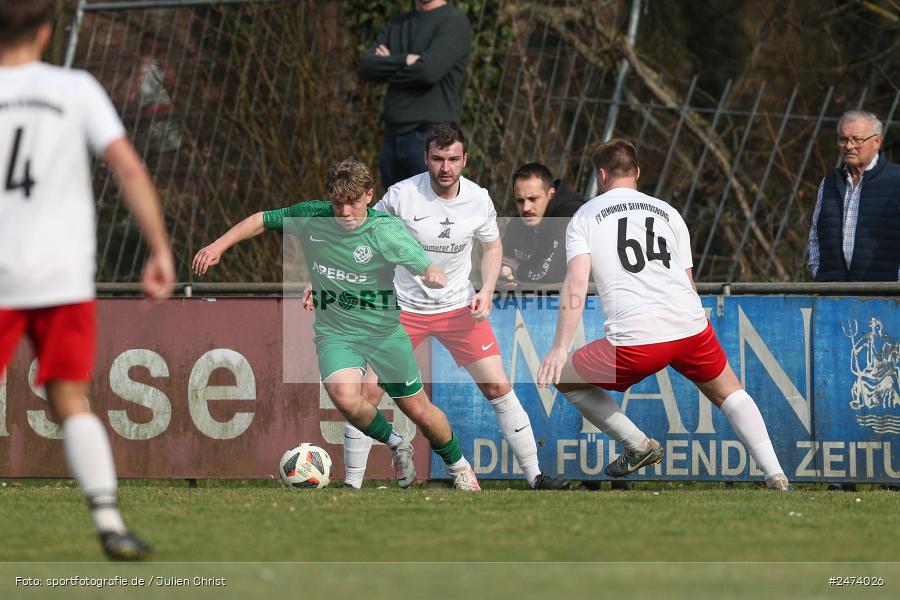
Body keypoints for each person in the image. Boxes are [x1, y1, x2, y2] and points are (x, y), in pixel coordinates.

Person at [0, 0, 176, 560]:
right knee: (70, 399)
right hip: (62, 277)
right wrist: (160, 249)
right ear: (48, 32)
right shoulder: (75, 88)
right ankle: (109, 523)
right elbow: (128, 165)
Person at [193, 160, 482, 491]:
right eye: (338, 202)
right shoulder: (313, 216)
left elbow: (424, 264)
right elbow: (262, 219)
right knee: (346, 398)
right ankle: (396, 443)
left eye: (353, 202)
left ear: (370, 196)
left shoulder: (385, 230)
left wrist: (432, 273)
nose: (344, 211)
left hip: (384, 334)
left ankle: (459, 467)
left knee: (418, 409)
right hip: (336, 333)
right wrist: (218, 246)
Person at [537, 139, 790, 491]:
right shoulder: (668, 212)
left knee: (565, 377)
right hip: (690, 327)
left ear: (601, 174)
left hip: (637, 339)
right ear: (638, 172)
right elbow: (688, 281)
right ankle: (775, 473)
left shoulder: (586, 215)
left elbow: (576, 283)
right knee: (730, 392)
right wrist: (695, 327)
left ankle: (638, 444)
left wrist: (559, 347)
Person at [337, 125, 570, 490]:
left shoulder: (479, 199)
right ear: (426, 158)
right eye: (438, 158)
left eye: (453, 159)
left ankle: (535, 477)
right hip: (402, 311)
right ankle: (351, 485)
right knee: (365, 396)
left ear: (465, 160)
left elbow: (492, 248)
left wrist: (488, 289)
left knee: (498, 388)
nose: (445, 167)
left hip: (459, 309)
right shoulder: (401, 196)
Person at [357, 0, 472, 189]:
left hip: (432, 137)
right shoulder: (397, 23)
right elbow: (366, 67)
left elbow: (427, 72)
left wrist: (387, 66)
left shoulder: (454, 22)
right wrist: (407, 60)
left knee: (431, 212)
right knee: (394, 214)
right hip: (392, 136)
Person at [807, 110, 899, 282]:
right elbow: (815, 237)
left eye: (857, 139)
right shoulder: (829, 183)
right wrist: (820, 275)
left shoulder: (896, 181)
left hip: (885, 300)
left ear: (877, 141)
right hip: (834, 298)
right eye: (843, 139)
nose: (849, 146)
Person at [499, 163, 586, 289]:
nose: (525, 208)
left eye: (533, 199)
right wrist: (502, 275)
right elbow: (499, 262)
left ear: (550, 194)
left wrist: (518, 268)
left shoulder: (570, 215)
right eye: (519, 200)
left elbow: (552, 274)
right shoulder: (517, 223)